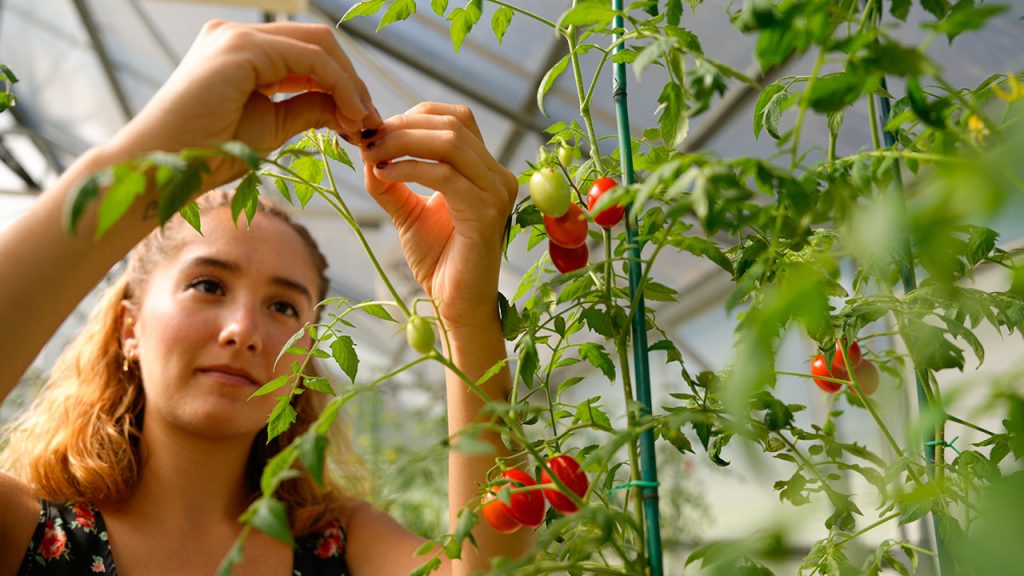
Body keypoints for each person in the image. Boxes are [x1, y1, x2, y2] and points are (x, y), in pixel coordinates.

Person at [0, 19, 528, 575]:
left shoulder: (338, 544)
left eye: (284, 307)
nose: (244, 330)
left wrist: (466, 317)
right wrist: (148, 157)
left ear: (303, 361)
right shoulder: (25, 533)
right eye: (208, 285)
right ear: (129, 327)